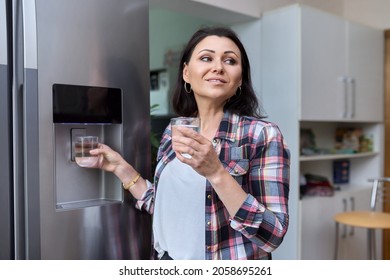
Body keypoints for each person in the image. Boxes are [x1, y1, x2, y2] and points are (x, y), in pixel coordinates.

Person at [89, 26, 290, 260]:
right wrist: (119, 168)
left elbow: (273, 235)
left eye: (230, 61)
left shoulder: (262, 135)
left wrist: (216, 173)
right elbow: (166, 208)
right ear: (186, 73)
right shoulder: (175, 131)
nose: (218, 67)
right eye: (206, 58)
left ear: (240, 80)